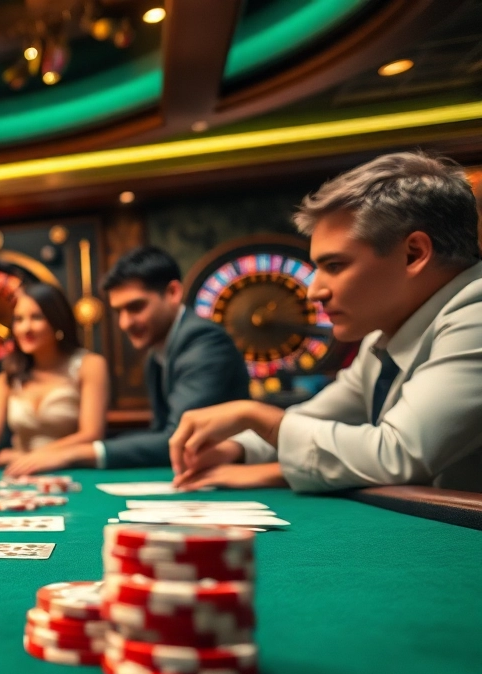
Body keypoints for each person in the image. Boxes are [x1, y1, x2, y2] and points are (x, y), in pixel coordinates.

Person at [171, 151, 482, 493]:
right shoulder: (383, 336)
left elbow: (399, 453)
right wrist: (236, 449)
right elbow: (316, 418)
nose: (314, 291)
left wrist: (257, 418)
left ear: (414, 254)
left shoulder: (476, 312)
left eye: (334, 266)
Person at [4, 246, 250, 474]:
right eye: (119, 311)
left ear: (173, 292)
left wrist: (78, 452)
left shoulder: (203, 340)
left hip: (236, 477)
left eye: (135, 307)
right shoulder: (157, 353)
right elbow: (160, 432)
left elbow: (178, 438)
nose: (125, 323)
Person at [0, 283, 110, 473]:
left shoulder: (90, 365)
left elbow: (91, 434)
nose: (25, 328)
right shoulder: (8, 377)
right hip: (21, 473)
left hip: (73, 469)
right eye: (19, 319)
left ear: (57, 321)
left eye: (36, 317)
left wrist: (30, 457)